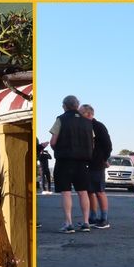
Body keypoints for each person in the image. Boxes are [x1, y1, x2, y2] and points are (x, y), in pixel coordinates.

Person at [51, 95, 96, 232]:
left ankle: (68, 223)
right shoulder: (88, 122)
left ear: (64, 106)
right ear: (77, 106)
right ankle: (86, 222)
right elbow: (92, 143)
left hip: (64, 161)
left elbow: (53, 141)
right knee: (83, 192)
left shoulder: (61, 119)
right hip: (82, 162)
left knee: (66, 192)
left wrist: (58, 149)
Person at [81, 103, 114, 229]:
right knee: (90, 191)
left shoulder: (98, 126)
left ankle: (104, 219)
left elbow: (108, 145)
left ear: (89, 114)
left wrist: (103, 159)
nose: (79, 115)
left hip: (97, 163)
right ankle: (93, 217)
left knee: (100, 191)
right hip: (86, 163)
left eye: (81, 113)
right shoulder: (84, 127)